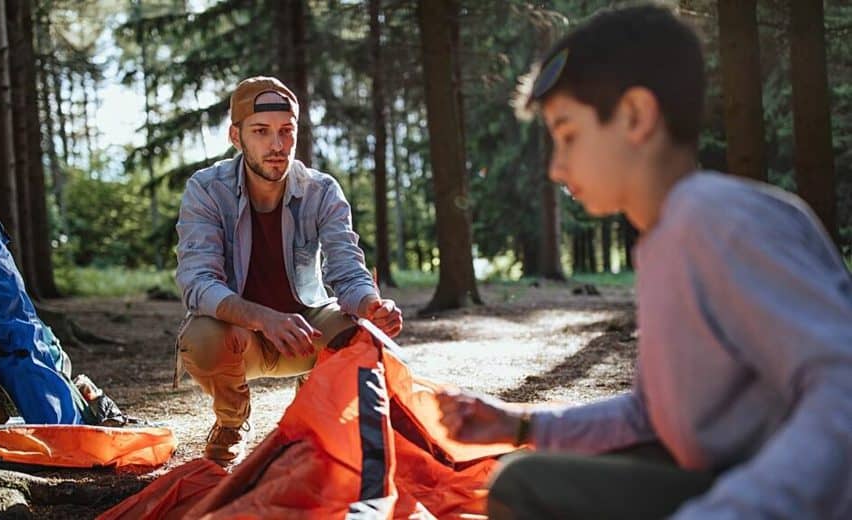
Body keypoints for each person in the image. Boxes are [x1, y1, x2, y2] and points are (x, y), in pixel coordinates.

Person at [437, 4, 852, 519]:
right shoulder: (662, 240)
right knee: (533, 474)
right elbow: (648, 414)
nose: (556, 167)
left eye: (567, 134)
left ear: (636, 116)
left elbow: (841, 386)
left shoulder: (717, 219)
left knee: (526, 487)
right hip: (723, 473)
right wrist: (519, 425)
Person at [175, 76, 403, 465]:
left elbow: (347, 270)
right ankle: (231, 423)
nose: (277, 145)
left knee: (361, 336)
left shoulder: (322, 190)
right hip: (241, 336)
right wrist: (264, 318)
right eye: (261, 132)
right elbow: (197, 283)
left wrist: (371, 305)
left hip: (306, 330)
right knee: (200, 338)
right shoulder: (206, 189)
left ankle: (310, 415)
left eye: (286, 131)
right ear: (236, 136)